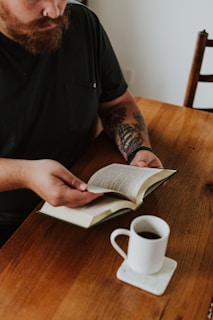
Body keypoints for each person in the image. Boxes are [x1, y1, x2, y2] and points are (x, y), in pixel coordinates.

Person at [0, 0, 163, 246]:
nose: (55, 11)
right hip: (8, 225)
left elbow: (117, 105)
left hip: (89, 204)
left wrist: (137, 149)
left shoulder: (83, 24)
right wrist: (26, 174)